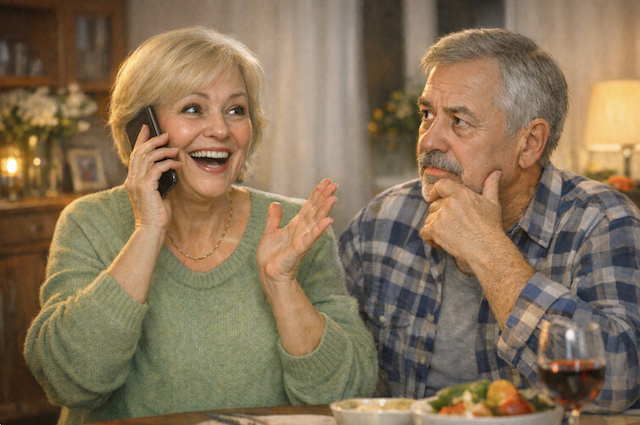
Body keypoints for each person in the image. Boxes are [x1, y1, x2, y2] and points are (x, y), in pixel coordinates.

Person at [24, 26, 377, 425]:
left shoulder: (296, 227)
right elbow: (69, 382)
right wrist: (147, 231)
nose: (221, 130)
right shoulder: (90, 222)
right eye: (193, 109)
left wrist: (282, 285)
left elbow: (346, 394)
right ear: (143, 128)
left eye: (236, 110)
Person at [339, 28, 640, 413]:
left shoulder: (603, 220)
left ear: (529, 143)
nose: (428, 140)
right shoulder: (382, 220)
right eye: (427, 115)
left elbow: (619, 383)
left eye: (459, 121)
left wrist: (489, 251)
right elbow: (335, 379)